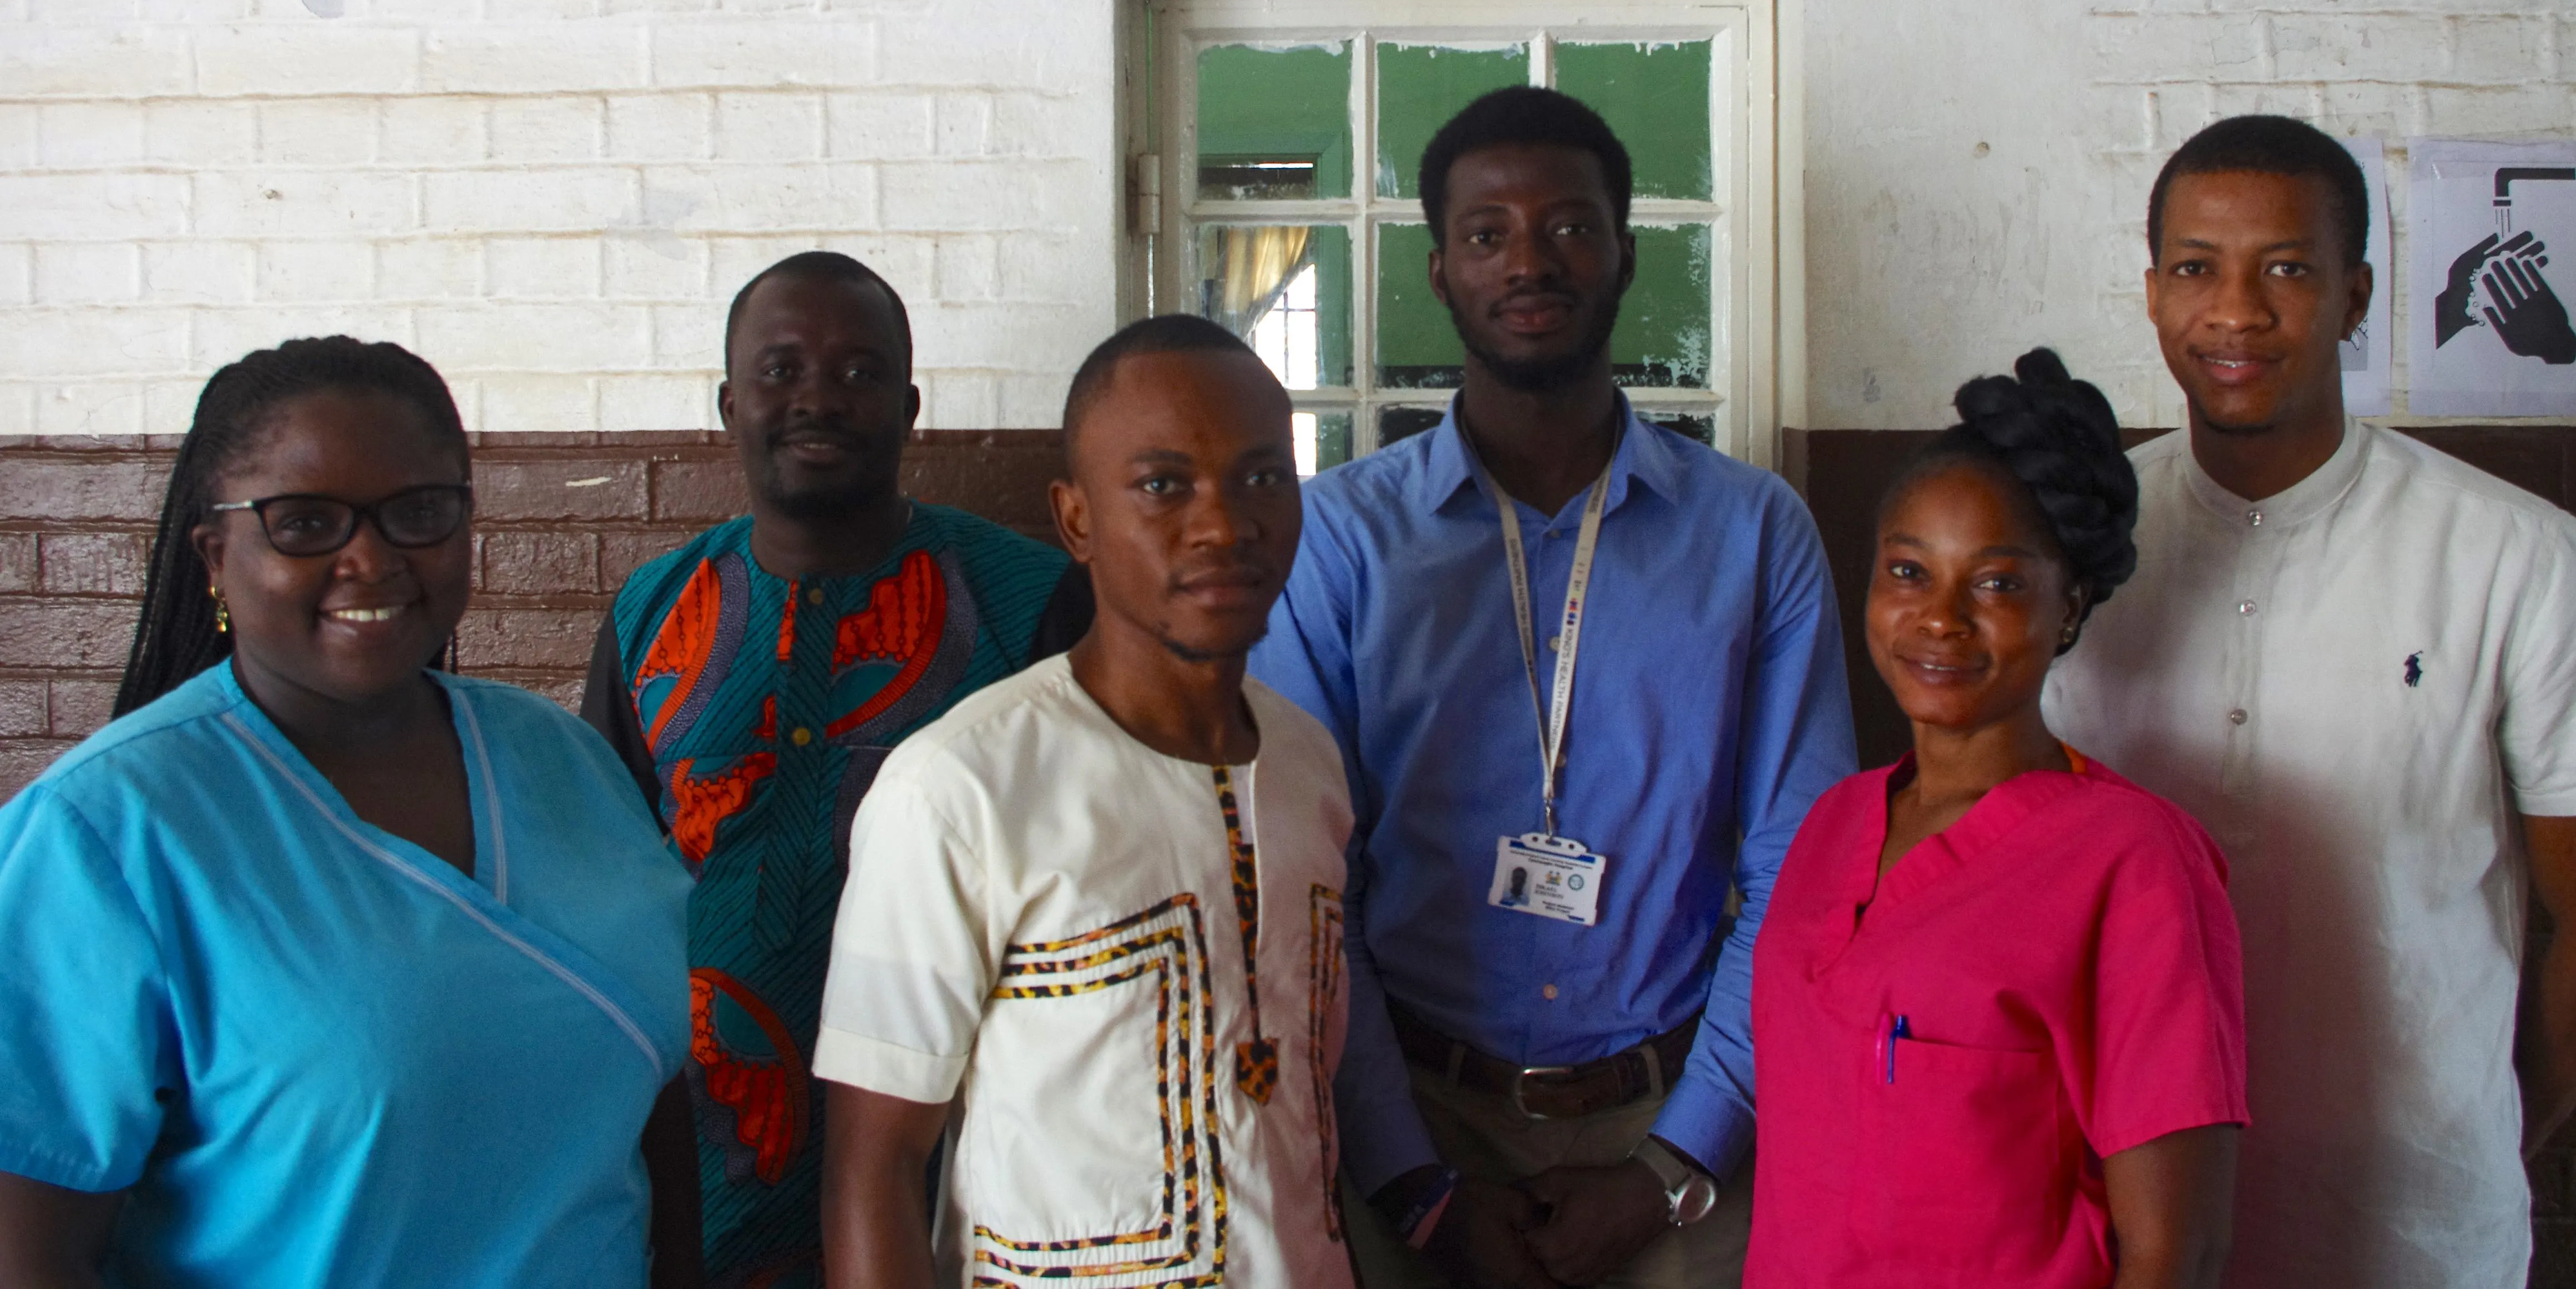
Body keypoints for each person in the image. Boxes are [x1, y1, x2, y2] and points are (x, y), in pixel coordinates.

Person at [1251, 88, 1859, 1288]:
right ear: (1436, 271)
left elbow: (1798, 863)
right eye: (1487, 234)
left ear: (1626, 253)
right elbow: (1307, 883)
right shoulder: (1338, 543)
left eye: (1569, 227)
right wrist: (1413, 1183)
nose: (1528, 261)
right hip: (1406, 1114)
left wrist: (1677, 1159)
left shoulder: (1752, 534)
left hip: (1680, 1112)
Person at [2046, 114, 2576, 1287]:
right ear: (2151, 292)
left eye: (2283, 268)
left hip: (2413, 1234)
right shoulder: (2074, 542)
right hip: (2120, 1229)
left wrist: (2477, 1140)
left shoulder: (2511, 553)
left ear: (2354, 292)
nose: (2234, 312)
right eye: (2193, 270)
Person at [0, 336, 698, 1289]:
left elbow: (650, 1112)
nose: (370, 559)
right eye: (305, 522)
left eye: (418, 513)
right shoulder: (106, 831)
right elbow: (30, 1251)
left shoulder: (564, 761)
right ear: (217, 554)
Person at [580, 251, 1092, 1288]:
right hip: (702, 1168)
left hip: (963, 1156)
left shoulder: (1034, 605)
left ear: (910, 404)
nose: (817, 397)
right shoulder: (653, 614)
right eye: (781, 370)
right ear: (729, 401)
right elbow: (596, 889)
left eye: (859, 372)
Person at [817, 316, 1353, 1288]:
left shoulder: (1310, 764)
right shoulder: (959, 788)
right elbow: (875, 1164)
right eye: (1162, 486)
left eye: (1263, 477)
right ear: (1075, 521)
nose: (1224, 524)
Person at [1749, 348, 2246, 1289]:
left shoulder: (2133, 862)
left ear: (2070, 608)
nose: (1938, 619)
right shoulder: (1833, 822)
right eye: (1906, 570)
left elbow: (2178, 1249)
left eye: (1996, 583)